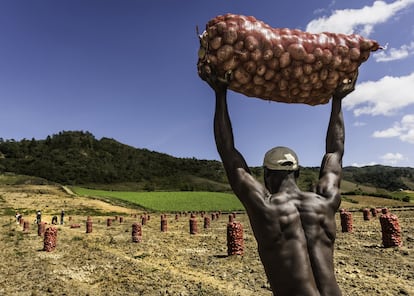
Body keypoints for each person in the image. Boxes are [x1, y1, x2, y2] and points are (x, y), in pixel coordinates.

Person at [204, 69, 357, 296]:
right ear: (297, 172)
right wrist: (338, 99)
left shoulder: (265, 206)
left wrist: (220, 93)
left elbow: (228, 152)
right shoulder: (325, 200)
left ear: (267, 175)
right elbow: (335, 151)